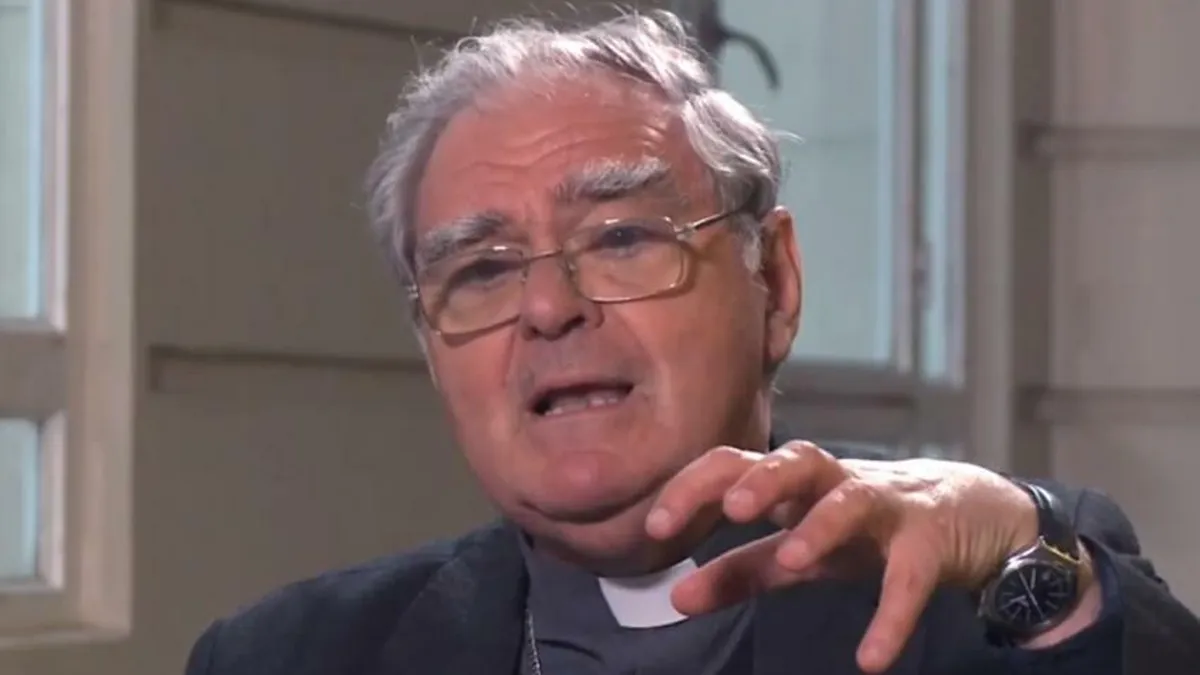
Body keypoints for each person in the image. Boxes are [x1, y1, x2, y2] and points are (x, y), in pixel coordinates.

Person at [184, 10, 1200, 675]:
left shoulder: (1003, 595)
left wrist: (1027, 563)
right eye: (483, 270)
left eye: (621, 238)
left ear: (776, 284)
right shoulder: (288, 655)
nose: (548, 308)